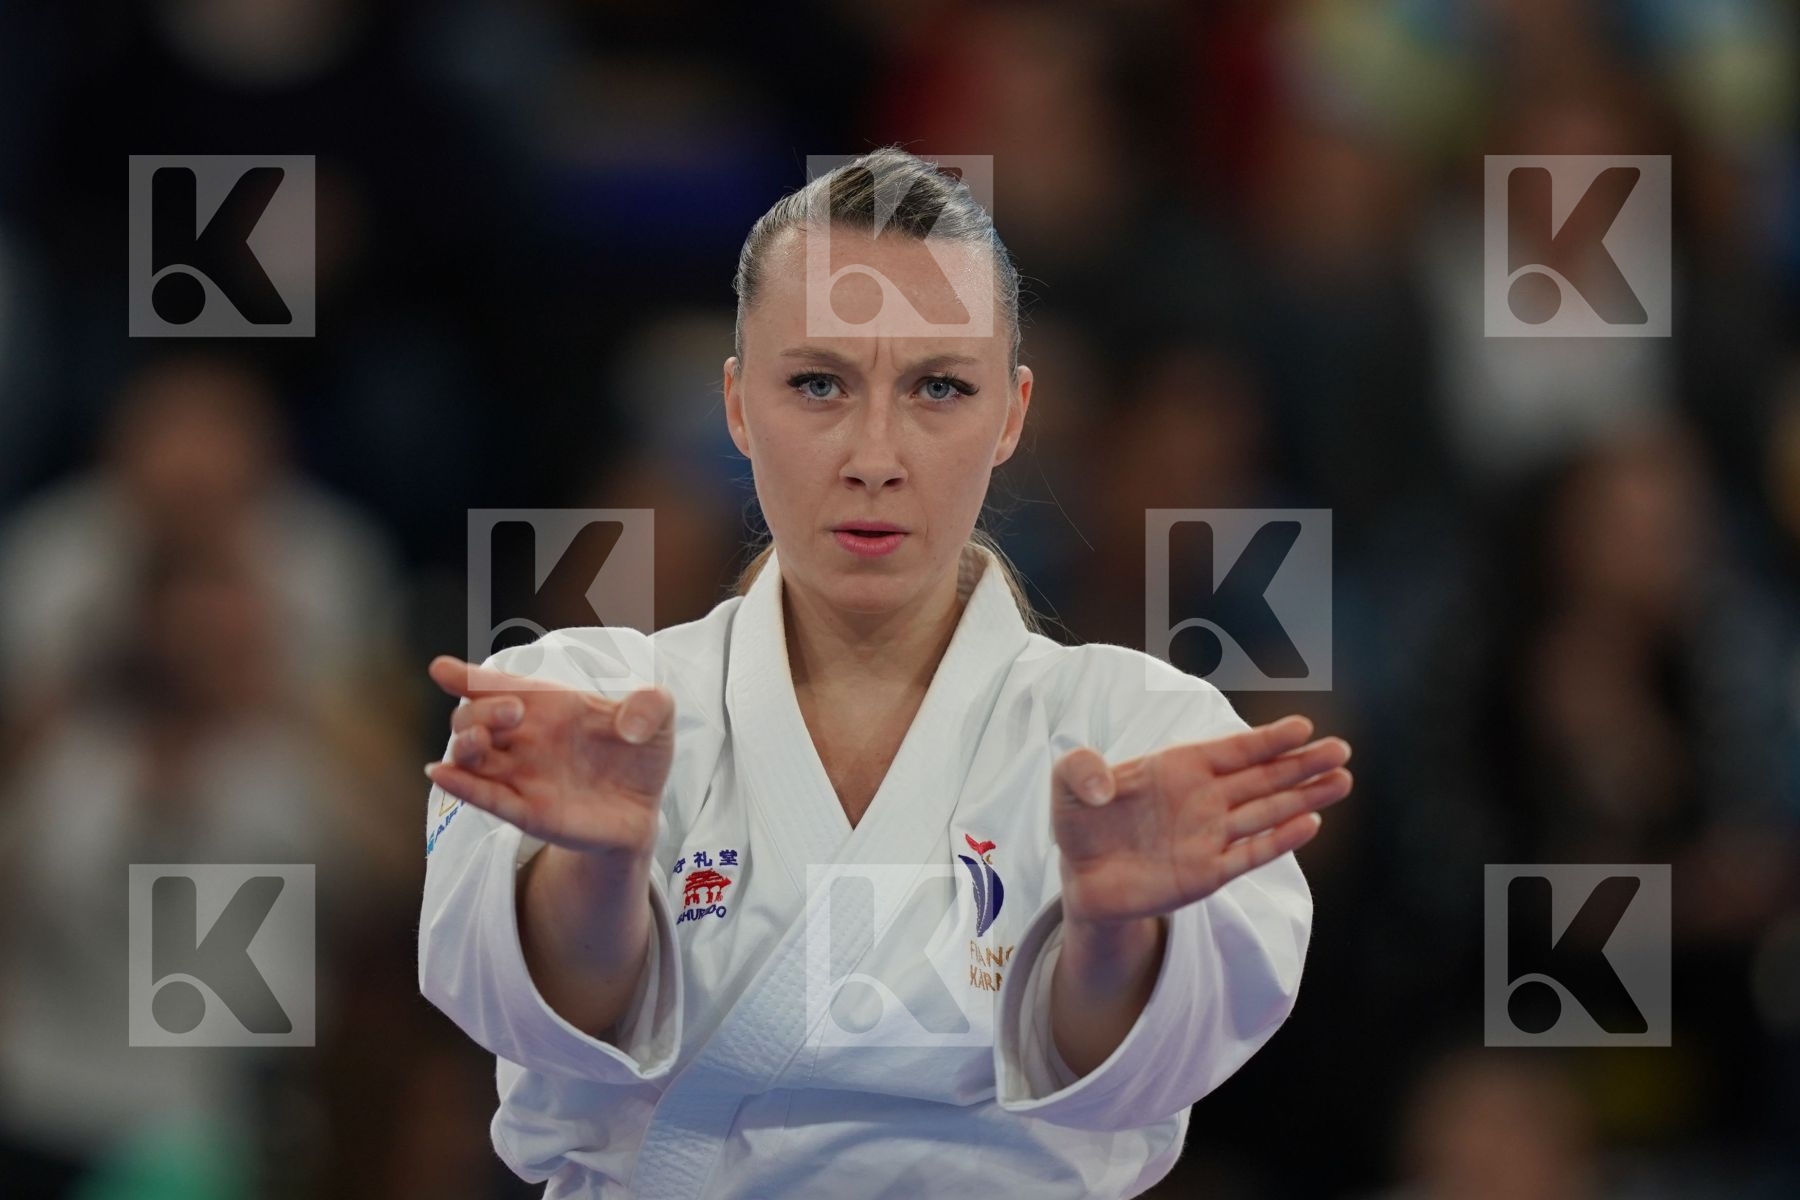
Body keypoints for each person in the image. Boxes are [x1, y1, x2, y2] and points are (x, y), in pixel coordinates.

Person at [417, 146, 1353, 1199]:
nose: (875, 452)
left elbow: (1121, 1082)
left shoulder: (1142, 729)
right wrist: (595, 864)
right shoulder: (587, 700)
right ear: (736, 405)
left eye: (938, 389)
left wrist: (1110, 933)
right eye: (818, 383)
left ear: (1010, 414)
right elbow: (531, 1013)